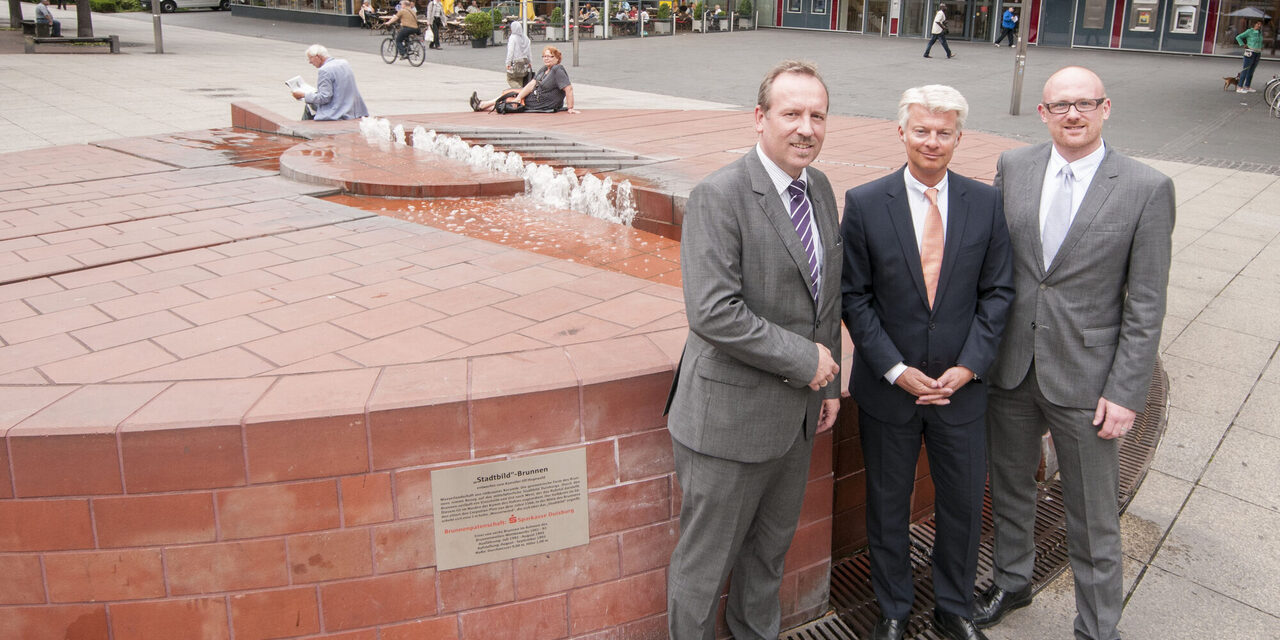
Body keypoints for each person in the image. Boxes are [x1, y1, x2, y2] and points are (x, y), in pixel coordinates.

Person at [975, 66, 1174, 640]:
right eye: (1060, 105)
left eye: (1085, 103)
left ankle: (1097, 625)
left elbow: (1146, 303)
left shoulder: (1145, 187)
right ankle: (1012, 582)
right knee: (1010, 488)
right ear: (1042, 113)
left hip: (1088, 381)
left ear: (1105, 108)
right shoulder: (1014, 168)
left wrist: (1126, 390)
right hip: (1012, 368)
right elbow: (992, 263)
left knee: (1092, 514)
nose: (1073, 114)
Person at [664, 60, 842, 640]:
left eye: (817, 115)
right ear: (760, 118)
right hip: (727, 423)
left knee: (767, 558)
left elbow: (826, 298)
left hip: (794, 419)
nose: (806, 128)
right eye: (791, 114)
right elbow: (713, 312)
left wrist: (829, 385)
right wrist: (806, 360)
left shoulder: (819, 188)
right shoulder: (720, 195)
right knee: (704, 567)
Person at [840, 84, 1013, 640]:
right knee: (888, 505)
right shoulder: (866, 203)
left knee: (962, 507)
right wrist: (894, 368)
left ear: (959, 138)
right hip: (891, 391)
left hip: (961, 390)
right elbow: (854, 297)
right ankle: (893, 607)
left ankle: (952, 607)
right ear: (901, 133)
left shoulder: (986, 203)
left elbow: (999, 293)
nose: (932, 142)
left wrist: (969, 367)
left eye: (944, 133)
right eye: (922, 130)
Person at [469, 46, 579, 114]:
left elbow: (568, 89)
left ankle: (482, 105)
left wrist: (570, 108)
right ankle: (482, 105)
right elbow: (532, 83)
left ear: (557, 59)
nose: (546, 58)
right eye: (544, 56)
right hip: (535, 97)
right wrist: (520, 96)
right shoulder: (545, 69)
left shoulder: (557, 69)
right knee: (511, 93)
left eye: (550, 56)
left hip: (544, 102)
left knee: (512, 98)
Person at [292, 44, 370, 122]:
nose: (310, 62)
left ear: (317, 57)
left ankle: (301, 130)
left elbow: (324, 97)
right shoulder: (344, 63)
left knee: (309, 105)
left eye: (310, 58)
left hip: (338, 110)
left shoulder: (324, 70)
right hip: (353, 108)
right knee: (312, 101)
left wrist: (303, 95)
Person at [1235, 20, 1264, 94]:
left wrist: (1262, 47)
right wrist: (1243, 44)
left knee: (1251, 70)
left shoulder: (1260, 33)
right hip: (1250, 52)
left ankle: (1247, 86)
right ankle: (1239, 86)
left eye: (1260, 24)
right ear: (1254, 24)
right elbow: (1238, 37)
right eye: (1258, 24)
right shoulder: (1249, 31)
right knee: (1246, 69)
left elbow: (1260, 42)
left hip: (1257, 53)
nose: (1259, 26)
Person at [505, 20, 533, 88]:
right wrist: (530, 62)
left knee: (510, 79)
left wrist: (508, 63)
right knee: (520, 80)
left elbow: (510, 52)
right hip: (524, 63)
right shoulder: (525, 38)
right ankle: (521, 95)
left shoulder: (513, 37)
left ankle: (520, 91)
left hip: (516, 62)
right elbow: (529, 51)